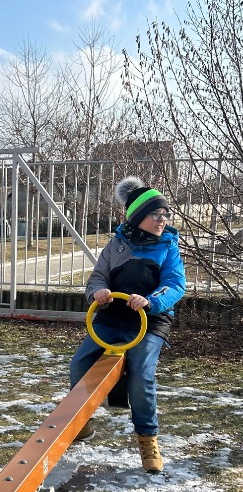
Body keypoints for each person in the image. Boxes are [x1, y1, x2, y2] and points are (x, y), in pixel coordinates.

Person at [70, 176, 186, 473]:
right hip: (113, 315)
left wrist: (150, 301)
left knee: (141, 373)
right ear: (137, 217)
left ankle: (147, 437)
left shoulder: (168, 246)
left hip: (150, 320)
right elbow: (98, 277)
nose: (162, 220)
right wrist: (99, 292)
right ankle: (81, 421)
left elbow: (175, 284)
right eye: (155, 214)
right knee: (80, 364)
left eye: (165, 214)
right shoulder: (117, 245)